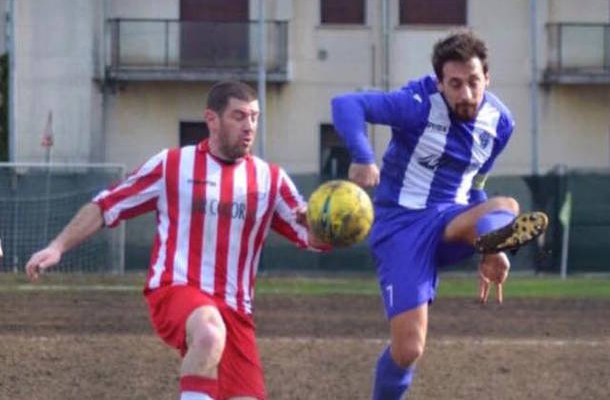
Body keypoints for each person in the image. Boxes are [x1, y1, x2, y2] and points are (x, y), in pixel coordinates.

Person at [26, 80, 326, 400]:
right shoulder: (172, 164)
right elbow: (106, 205)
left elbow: (313, 238)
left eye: (254, 117)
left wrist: (325, 222)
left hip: (237, 310)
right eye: (239, 116)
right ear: (211, 119)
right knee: (209, 333)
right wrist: (57, 246)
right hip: (176, 288)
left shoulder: (272, 180)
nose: (249, 126)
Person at [331, 31, 548, 399]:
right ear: (440, 83)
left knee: (506, 205)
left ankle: (492, 242)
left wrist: (490, 247)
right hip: (401, 225)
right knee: (408, 350)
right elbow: (346, 104)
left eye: (474, 82)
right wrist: (363, 155)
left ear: (487, 79)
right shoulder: (416, 104)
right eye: (455, 84)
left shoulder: (500, 123)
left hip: (452, 220)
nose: (466, 93)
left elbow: (476, 184)